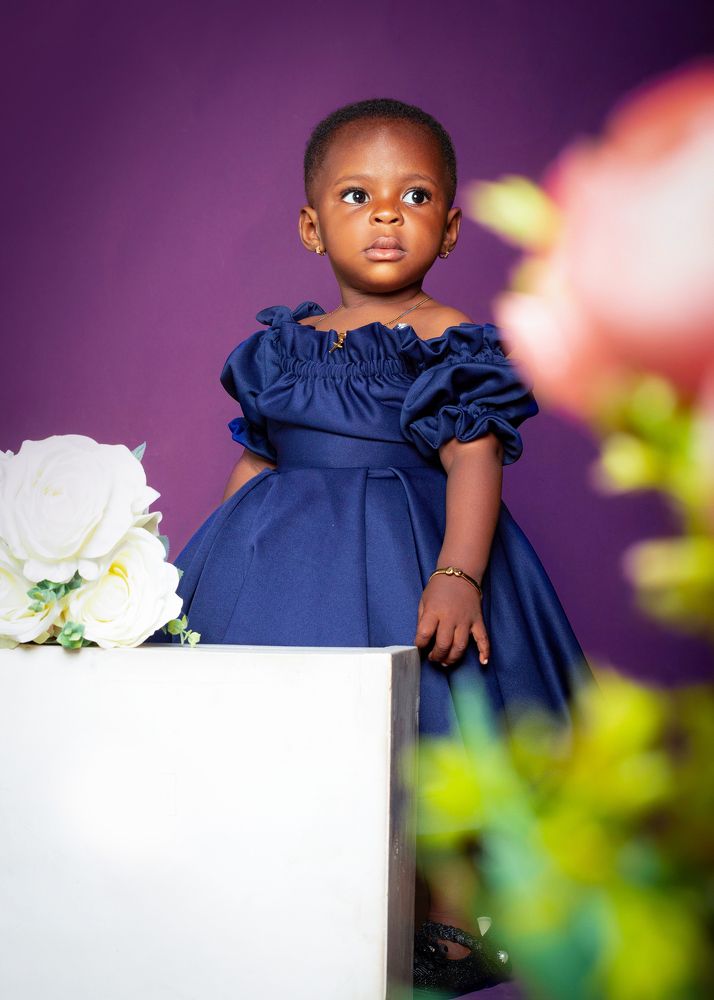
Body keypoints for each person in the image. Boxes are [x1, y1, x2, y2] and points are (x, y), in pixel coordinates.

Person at [163, 98, 596, 996]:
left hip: (411, 562)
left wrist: (457, 574)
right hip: (290, 574)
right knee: (286, 741)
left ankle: (439, 922)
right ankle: (294, 912)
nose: (388, 214)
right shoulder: (282, 351)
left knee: (430, 735)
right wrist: (204, 572)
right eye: (358, 196)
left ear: (451, 228)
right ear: (312, 226)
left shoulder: (448, 339)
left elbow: (474, 459)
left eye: (416, 195)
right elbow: (258, 461)